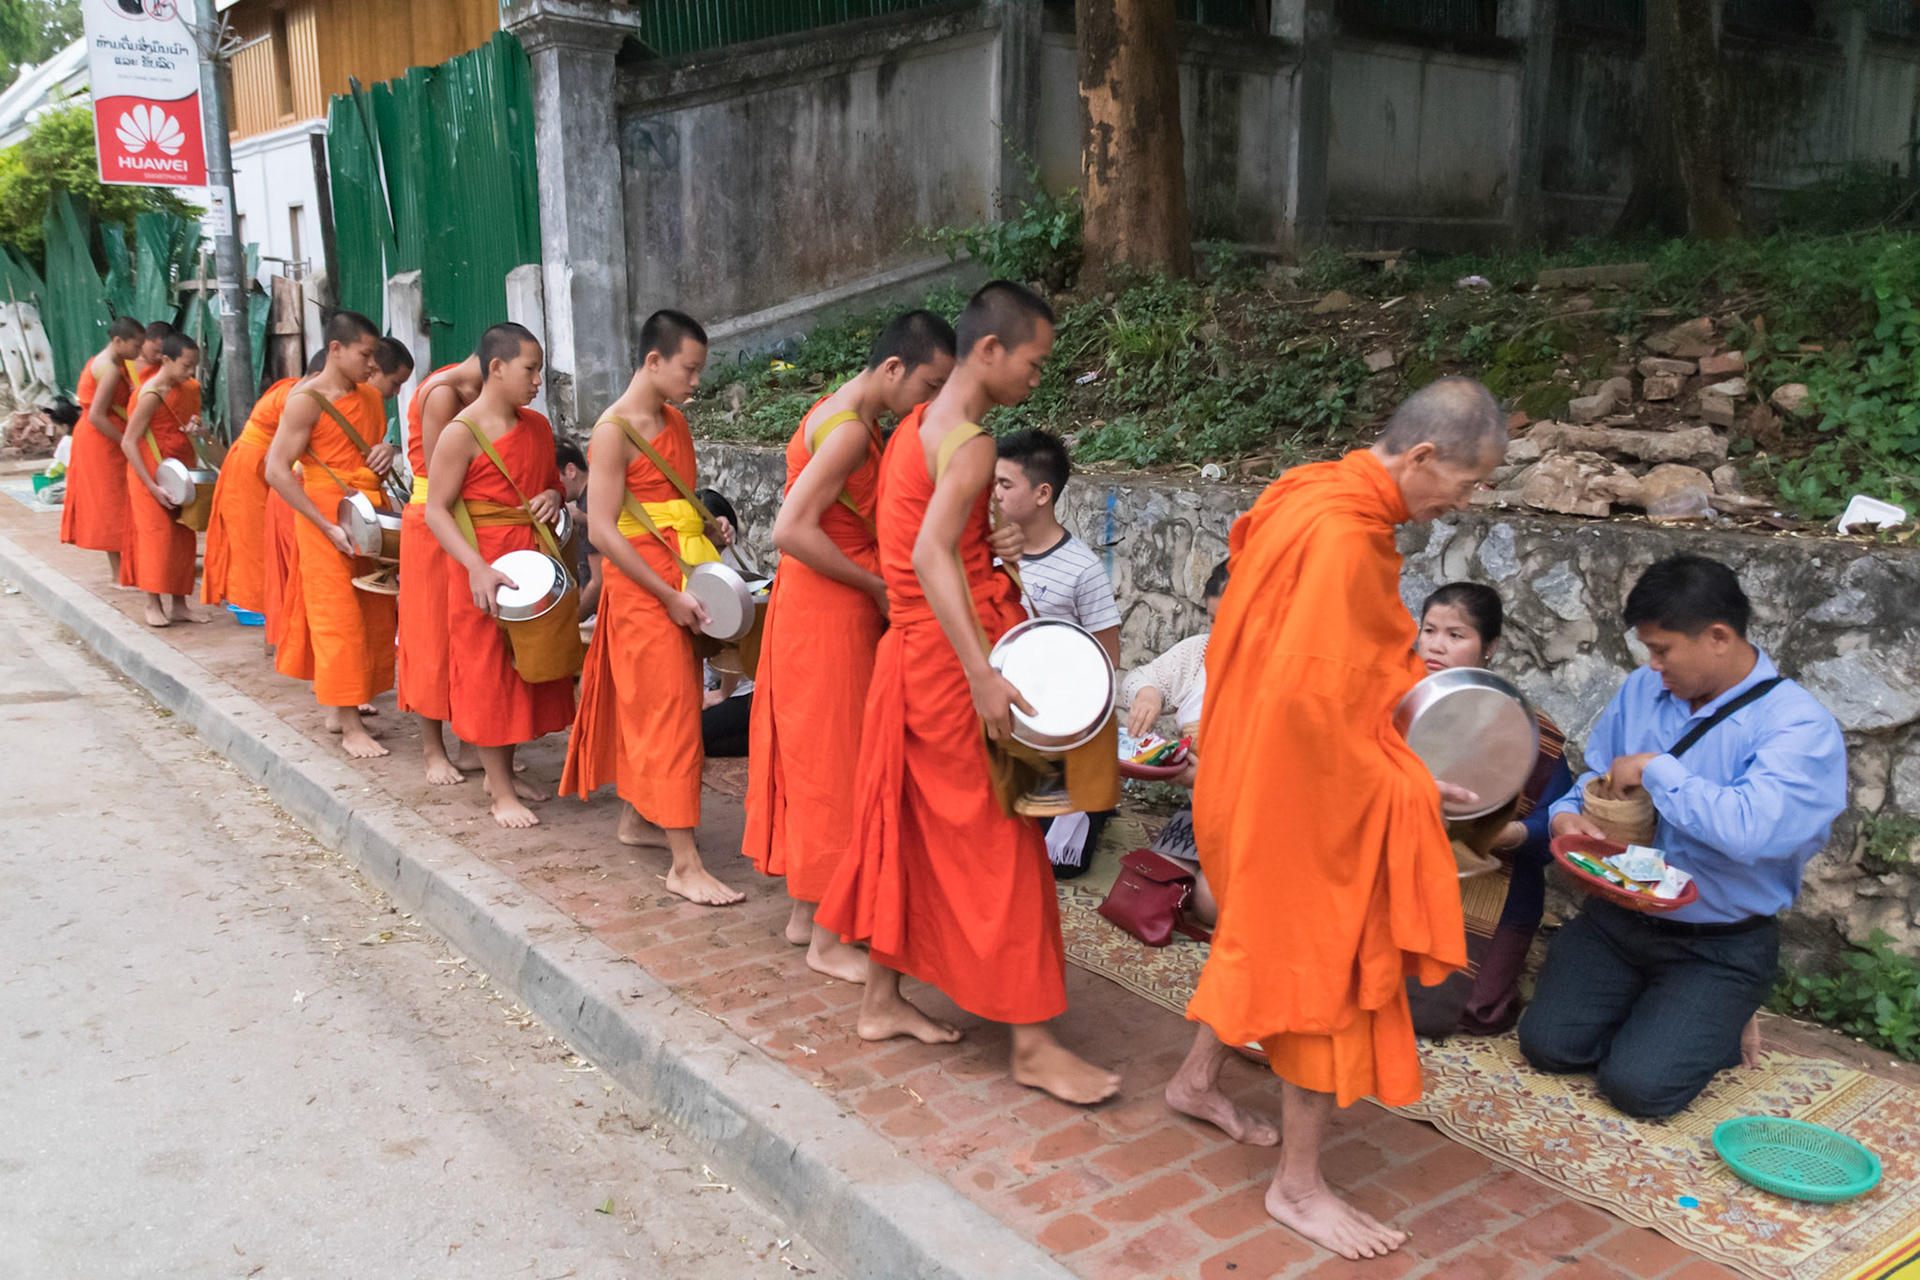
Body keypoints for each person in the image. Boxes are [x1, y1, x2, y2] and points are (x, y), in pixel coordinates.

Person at [1163, 376, 1506, 1261]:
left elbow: (1326, 664)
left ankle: (1197, 1081)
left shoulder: (1308, 488)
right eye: (1464, 485)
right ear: (1423, 456)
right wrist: (1413, 789)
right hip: (1295, 790)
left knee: (1259, 939)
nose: (1461, 504)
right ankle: (1299, 1186)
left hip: (1240, 768)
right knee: (1324, 969)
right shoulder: (1344, 537)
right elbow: (1317, 710)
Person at [816, 280, 1121, 1106]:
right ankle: (1029, 1042)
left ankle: (881, 1002)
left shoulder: (916, 425)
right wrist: (985, 670)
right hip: (958, 664)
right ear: (990, 350)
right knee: (1009, 839)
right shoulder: (974, 443)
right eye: (1033, 361)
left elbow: (931, 541)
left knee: (906, 826)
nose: (1036, 377)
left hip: (912, 656)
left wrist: (992, 552)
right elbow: (927, 558)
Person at [1519, 553, 1846, 1118]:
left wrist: (1656, 769)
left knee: (1640, 1089)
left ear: (1718, 637)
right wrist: (1570, 817)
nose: (1652, 665)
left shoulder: (1798, 727)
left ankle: (1710, 1013)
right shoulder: (1643, 690)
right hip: (1619, 917)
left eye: (1663, 650)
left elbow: (1749, 831)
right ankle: (1665, 1014)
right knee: (1549, 1046)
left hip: (1719, 941)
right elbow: (1595, 780)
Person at [742, 309, 958, 984]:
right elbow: (791, 530)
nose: (928, 401)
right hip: (833, 607)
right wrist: (873, 585)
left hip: (818, 604)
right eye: (929, 383)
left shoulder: (841, 413)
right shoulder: (846, 435)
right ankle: (828, 939)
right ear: (893, 368)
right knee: (839, 765)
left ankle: (809, 914)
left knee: (817, 756)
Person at [560, 309, 744, 907]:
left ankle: (638, 820)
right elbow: (607, 531)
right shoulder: (612, 432)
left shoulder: (674, 424)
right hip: (645, 591)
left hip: (680, 576)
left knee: (670, 707)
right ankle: (684, 865)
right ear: (654, 361)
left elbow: (669, 502)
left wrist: (705, 524)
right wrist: (666, 593)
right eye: (689, 369)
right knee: (669, 716)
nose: (696, 382)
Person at [423, 323, 574, 829]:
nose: (537, 381)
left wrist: (555, 497)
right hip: (483, 567)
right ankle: (501, 794)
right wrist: (476, 568)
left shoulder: (536, 427)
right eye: (531, 370)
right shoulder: (459, 433)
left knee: (522, 669)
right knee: (487, 674)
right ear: (497, 367)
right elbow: (437, 511)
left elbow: (553, 487)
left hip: (531, 560)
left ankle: (500, 776)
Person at [1406, 583, 1572, 1037]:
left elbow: (1552, 824)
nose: (1437, 645)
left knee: (1470, 1006)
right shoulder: (1401, 708)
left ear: (1490, 647)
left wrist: (1506, 834)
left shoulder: (1530, 727)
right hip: (1401, 873)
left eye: (1457, 635)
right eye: (1429, 630)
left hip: (1490, 882)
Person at [264, 311, 400, 760]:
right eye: (365, 354)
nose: (371, 364)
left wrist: (386, 451)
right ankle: (349, 726)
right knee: (336, 617)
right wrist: (321, 524)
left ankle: (343, 707)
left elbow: (373, 448)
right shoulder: (305, 400)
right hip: (324, 516)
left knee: (374, 610)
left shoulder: (371, 398)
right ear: (336, 350)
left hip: (367, 511)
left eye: (375, 355)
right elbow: (276, 470)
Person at [994, 427, 1123, 876]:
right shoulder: (986, 556)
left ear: (1042, 493)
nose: (995, 495)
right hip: (998, 714)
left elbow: (1106, 662)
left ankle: (1091, 804)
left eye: (1005, 485)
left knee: (1058, 866)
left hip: (1059, 731)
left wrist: (1061, 725)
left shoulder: (1083, 569)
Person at [1120, 557, 1230, 924]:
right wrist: (1149, 693)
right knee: (1154, 886)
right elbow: (1138, 678)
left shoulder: (1281, 674)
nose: (1221, 633)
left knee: (1207, 905)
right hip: (1201, 815)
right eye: (1214, 620)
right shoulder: (1200, 653)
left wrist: (1205, 781)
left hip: (1251, 823)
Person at [398, 350, 484, 785]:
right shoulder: (443, 393)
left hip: (468, 520)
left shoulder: (473, 388)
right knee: (431, 637)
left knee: (467, 636)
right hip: (435, 524)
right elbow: (439, 480)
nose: (535, 383)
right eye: (529, 369)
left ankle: (471, 742)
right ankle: (433, 749)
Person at [118, 331, 209, 628]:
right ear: (166, 360)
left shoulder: (190, 387)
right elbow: (129, 442)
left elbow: (186, 424)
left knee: (183, 538)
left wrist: (197, 429)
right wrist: (151, 485)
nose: (190, 372)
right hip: (148, 472)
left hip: (178, 470)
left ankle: (180, 604)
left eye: (194, 365)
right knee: (157, 539)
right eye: (185, 365)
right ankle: (152, 603)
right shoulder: (150, 393)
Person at [203, 368, 300, 616]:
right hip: (252, 468)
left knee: (262, 538)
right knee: (254, 540)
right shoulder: (295, 395)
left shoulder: (296, 392)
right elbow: (281, 452)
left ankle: (267, 609)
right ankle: (262, 607)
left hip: (258, 464)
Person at [60, 316, 145, 581]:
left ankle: (123, 569)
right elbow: (97, 414)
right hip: (102, 439)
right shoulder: (108, 368)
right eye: (136, 345)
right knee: (112, 502)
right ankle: (119, 572)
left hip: (98, 435)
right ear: (118, 341)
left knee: (115, 501)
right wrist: (125, 441)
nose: (138, 352)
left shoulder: (109, 361)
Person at [262, 350, 331, 648]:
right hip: (295, 489)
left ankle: (287, 640)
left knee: (294, 573)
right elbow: (282, 462)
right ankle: (286, 639)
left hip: (299, 488)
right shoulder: (302, 399)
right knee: (293, 572)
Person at [695, 488, 756, 758]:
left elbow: (736, 643)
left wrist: (721, 694)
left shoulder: (730, 573)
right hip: (721, 683)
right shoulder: (707, 561)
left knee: (696, 736)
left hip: (746, 689)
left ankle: (766, 735)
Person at [556, 438, 602, 621]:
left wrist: (574, 622)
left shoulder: (593, 501)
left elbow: (598, 581)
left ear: (571, 470)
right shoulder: (585, 502)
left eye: (553, 480)